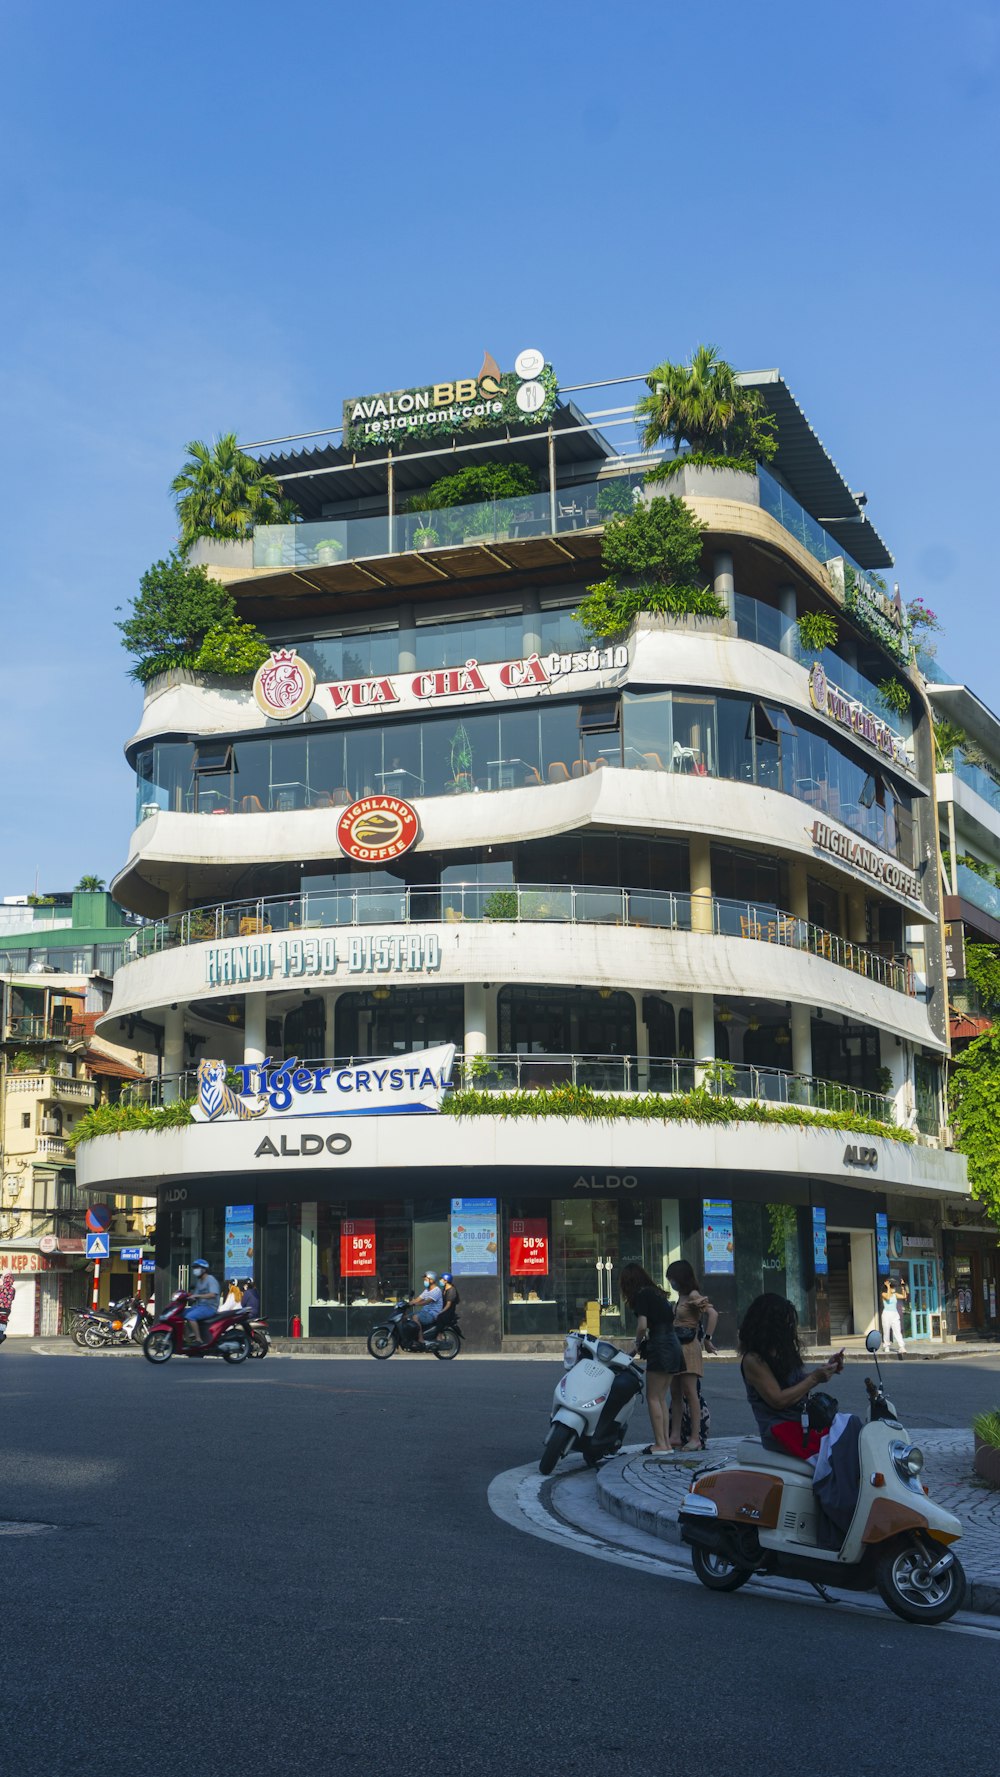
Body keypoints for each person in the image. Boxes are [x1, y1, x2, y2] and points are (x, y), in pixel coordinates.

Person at [738, 1292, 844, 1453]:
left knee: (851, 1426)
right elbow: (778, 1399)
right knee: (840, 1446)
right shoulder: (753, 1360)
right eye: (784, 1325)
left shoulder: (780, 1350)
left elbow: (796, 1384)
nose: (789, 1329)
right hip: (781, 1428)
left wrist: (825, 1370)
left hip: (801, 1422)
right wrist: (814, 1378)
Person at [622, 1262, 684, 1455]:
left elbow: (642, 1325)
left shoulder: (641, 1295)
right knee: (661, 1398)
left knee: (652, 1397)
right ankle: (664, 1443)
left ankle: (660, 1444)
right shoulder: (656, 1293)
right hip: (673, 1344)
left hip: (660, 1345)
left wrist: (637, 1343)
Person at [665, 1260, 717, 1451]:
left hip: (689, 1348)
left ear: (680, 1278)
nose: (671, 1282)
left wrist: (708, 1339)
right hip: (676, 1348)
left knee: (690, 1392)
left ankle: (695, 1437)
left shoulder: (693, 1295)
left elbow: (713, 1314)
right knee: (675, 1393)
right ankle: (675, 1435)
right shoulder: (681, 1296)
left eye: (672, 1278)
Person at [184, 1258, 221, 1344]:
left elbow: (213, 1294)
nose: (195, 1270)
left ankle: (198, 1339)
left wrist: (197, 1296)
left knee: (190, 1316)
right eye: (194, 1268)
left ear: (204, 1269)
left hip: (210, 1308)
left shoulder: (210, 1279)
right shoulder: (199, 1281)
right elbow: (195, 1296)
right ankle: (187, 1339)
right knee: (181, 1314)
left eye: (197, 1268)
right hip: (200, 1307)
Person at [408, 1271, 443, 1347]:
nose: (424, 1281)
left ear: (432, 1280)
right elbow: (418, 1299)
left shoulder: (437, 1291)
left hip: (432, 1314)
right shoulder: (427, 1290)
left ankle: (421, 1339)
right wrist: (407, 1303)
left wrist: (415, 1304)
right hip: (424, 1313)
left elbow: (426, 1302)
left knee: (415, 1317)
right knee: (406, 1317)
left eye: (426, 1279)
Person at [881, 1275, 908, 1358]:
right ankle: (886, 1346)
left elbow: (904, 1296)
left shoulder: (895, 1294)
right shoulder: (884, 1294)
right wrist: (888, 1286)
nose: (894, 1289)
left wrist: (903, 1286)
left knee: (897, 1330)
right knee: (886, 1330)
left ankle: (901, 1346)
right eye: (893, 1287)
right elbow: (888, 1298)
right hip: (886, 1314)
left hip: (894, 1314)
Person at [0, 1271, 14, 1344]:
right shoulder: (13, 1289)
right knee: (3, 1322)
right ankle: (1, 1336)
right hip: (7, 1311)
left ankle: (1, 1337)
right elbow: (12, 1298)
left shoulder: (1, 1288)